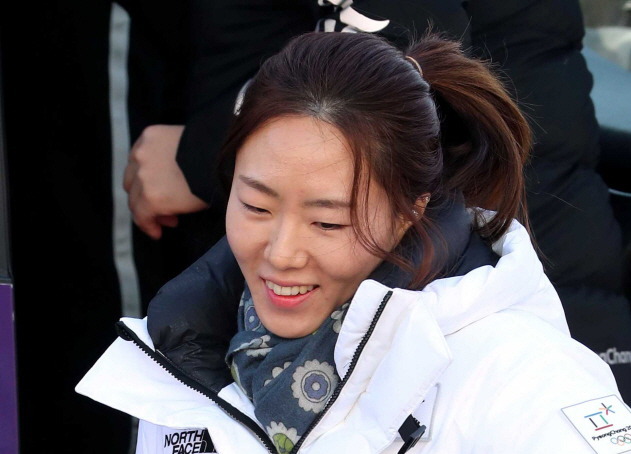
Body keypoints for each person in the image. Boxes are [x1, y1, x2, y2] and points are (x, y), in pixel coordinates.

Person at [77, 32, 625, 453]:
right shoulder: (183, 354)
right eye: (256, 207)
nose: (281, 253)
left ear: (411, 211)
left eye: (328, 223)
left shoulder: (525, 384)